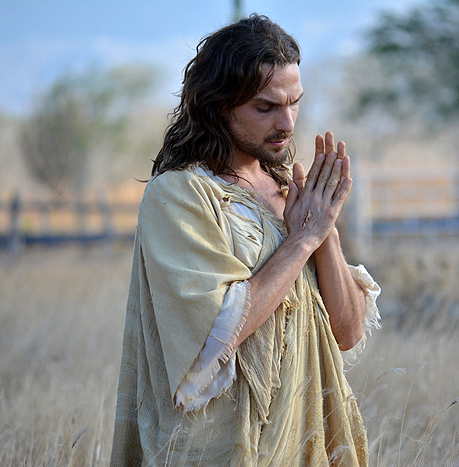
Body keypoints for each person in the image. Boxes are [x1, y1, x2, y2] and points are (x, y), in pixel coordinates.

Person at [111, 14, 380, 466]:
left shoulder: (290, 194)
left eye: (294, 103)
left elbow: (348, 333)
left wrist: (324, 231)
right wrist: (300, 241)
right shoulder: (182, 193)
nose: (287, 122)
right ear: (219, 106)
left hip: (306, 447)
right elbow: (214, 331)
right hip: (222, 451)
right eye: (266, 107)